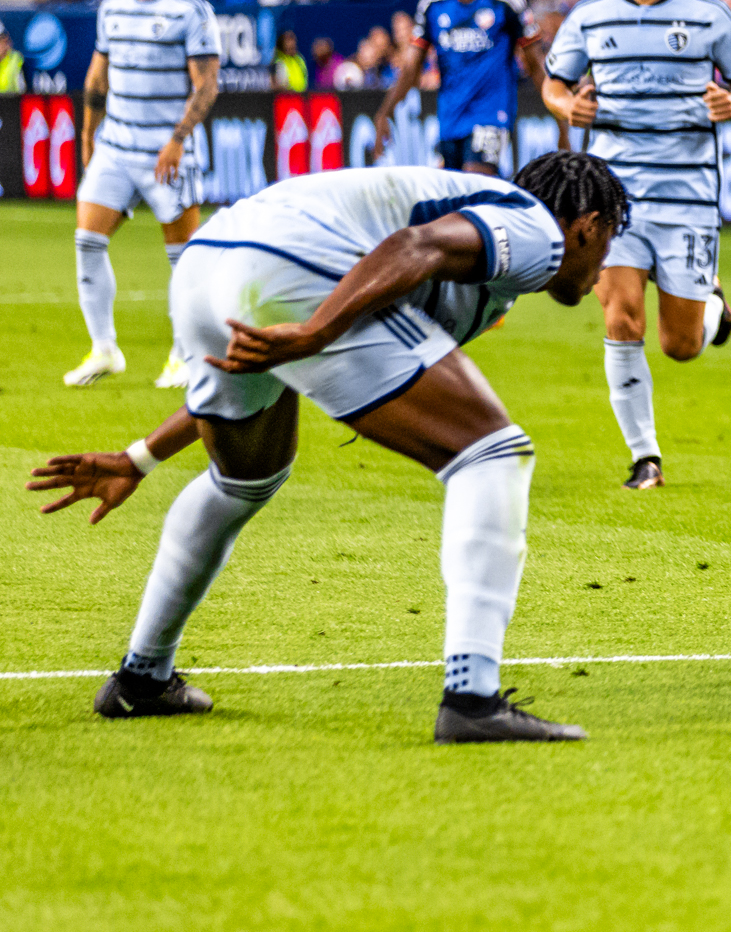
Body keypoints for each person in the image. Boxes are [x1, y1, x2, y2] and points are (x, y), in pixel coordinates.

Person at [25, 153, 629, 743]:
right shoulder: (536, 228)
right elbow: (412, 249)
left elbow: (257, 357)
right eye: (608, 243)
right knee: (491, 454)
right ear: (588, 227)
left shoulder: (482, 233)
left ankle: (142, 677)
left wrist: (140, 457)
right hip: (292, 265)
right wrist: (319, 330)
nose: (604, 267)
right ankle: (473, 699)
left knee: (244, 479)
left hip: (206, 266)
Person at [542, 0, 731, 490]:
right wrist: (570, 108)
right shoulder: (588, 17)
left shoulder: (710, 15)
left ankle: (710, 303)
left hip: (689, 196)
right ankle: (646, 458)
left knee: (682, 346)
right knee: (620, 318)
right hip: (613, 198)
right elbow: (553, 85)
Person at [69, 0, 221, 391]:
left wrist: (177, 140)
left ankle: (184, 353)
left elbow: (207, 85)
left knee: (183, 257)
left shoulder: (192, 12)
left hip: (166, 153)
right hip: (115, 146)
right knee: (87, 242)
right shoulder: (111, 10)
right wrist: (89, 135)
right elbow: (98, 79)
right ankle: (104, 349)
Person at [373, 0, 549, 174]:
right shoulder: (433, 5)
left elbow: (535, 66)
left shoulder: (508, 2)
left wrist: (561, 123)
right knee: (455, 198)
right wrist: (385, 112)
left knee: (474, 185)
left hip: (491, 116)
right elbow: (412, 68)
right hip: (450, 120)